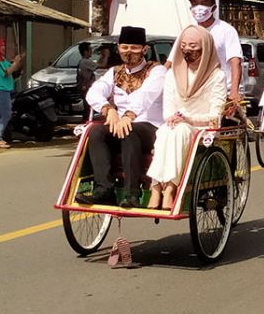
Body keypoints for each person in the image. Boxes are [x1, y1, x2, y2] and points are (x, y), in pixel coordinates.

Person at [79, 26, 166, 208]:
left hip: (151, 126)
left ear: (144, 50)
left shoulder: (157, 70)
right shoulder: (114, 72)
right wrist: (108, 108)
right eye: (125, 47)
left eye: (134, 48)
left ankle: (132, 193)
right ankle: (104, 189)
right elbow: (94, 92)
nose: (129, 52)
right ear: (118, 48)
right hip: (121, 125)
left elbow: (147, 95)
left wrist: (128, 115)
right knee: (96, 131)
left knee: (129, 129)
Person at [147, 26, 227, 210]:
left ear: (205, 48)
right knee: (165, 131)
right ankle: (156, 187)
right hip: (175, 125)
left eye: (193, 45)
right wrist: (176, 118)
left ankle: (170, 188)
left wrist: (188, 119)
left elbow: (215, 115)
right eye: (183, 45)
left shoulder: (217, 76)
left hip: (202, 128)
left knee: (179, 130)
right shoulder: (172, 75)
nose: (187, 50)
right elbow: (167, 111)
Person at [167, 0, 242, 105]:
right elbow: (171, 63)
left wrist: (234, 91)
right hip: (194, 93)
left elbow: (235, 61)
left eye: (203, 3)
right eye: (194, 4)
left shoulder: (226, 30)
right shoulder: (187, 32)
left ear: (213, 7)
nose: (198, 7)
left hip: (221, 92)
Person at [0, 37, 24, 149]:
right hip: (1, 90)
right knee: (6, 114)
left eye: (4, 45)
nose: (3, 47)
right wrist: (15, 63)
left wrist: (18, 60)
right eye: (1, 45)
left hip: (5, 89)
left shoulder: (2, 59)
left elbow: (13, 68)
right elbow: (7, 73)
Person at [76, 42, 96, 120]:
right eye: (90, 49)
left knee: (87, 107)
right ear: (85, 51)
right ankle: (86, 123)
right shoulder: (86, 62)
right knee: (88, 107)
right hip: (86, 87)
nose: (92, 51)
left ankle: (86, 121)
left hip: (84, 87)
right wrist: (106, 55)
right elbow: (102, 64)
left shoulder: (82, 61)